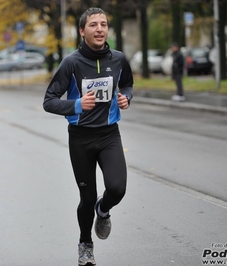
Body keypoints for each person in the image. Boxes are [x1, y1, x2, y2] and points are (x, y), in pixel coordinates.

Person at [43, 7, 133, 266]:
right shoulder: (71, 63)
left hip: (109, 135)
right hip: (80, 138)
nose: (100, 29)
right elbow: (49, 102)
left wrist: (127, 98)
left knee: (117, 188)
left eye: (103, 24)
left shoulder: (118, 59)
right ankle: (85, 244)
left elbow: (127, 83)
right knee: (87, 197)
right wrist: (77, 105)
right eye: (93, 25)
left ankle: (103, 211)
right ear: (82, 31)